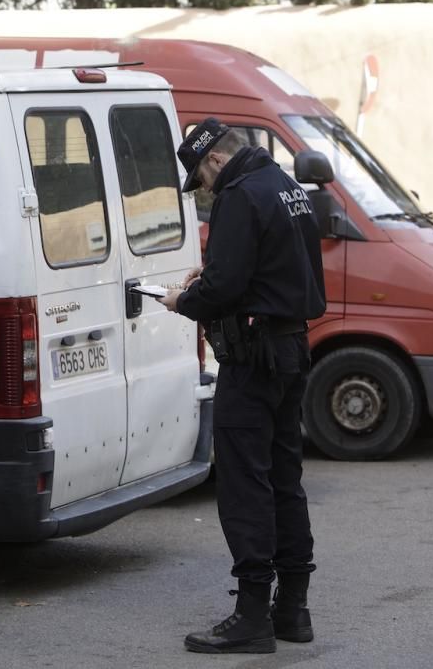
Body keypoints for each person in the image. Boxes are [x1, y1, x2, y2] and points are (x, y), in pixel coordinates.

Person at [159, 118, 326, 654]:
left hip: (252, 359)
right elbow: (270, 271)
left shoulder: (237, 195)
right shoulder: (284, 186)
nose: (205, 193)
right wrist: (206, 282)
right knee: (284, 479)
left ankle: (252, 616)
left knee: (243, 484)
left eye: (202, 182)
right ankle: (292, 610)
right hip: (291, 347)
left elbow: (228, 284)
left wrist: (183, 300)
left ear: (213, 161)